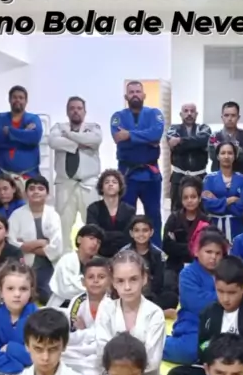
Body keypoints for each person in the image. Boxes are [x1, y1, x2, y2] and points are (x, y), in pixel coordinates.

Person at [96, 250, 166, 375]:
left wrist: (127, 374)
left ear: (144, 278)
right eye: (120, 281)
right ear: (113, 282)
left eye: (133, 279)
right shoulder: (106, 310)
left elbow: (152, 362)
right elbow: (102, 353)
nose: (127, 287)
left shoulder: (155, 313)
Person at [110, 81, 164, 248]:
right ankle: (126, 251)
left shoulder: (154, 113)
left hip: (150, 174)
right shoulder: (118, 116)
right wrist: (146, 139)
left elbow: (156, 134)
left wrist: (130, 135)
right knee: (125, 217)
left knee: (154, 215)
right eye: (131, 92)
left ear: (144, 95)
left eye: (138, 91)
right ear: (126, 96)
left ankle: (156, 251)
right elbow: (118, 138)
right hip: (127, 174)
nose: (135, 94)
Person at [163, 230, 227, 365]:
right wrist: (228, 297)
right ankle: (158, 341)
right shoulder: (188, 273)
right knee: (189, 351)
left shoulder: (229, 272)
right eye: (208, 252)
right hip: (194, 323)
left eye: (218, 253)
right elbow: (196, 304)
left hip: (227, 322)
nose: (213, 257)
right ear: (197, 252)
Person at [49, 96, 103, 253]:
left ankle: (93, 257)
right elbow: (53, 142)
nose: (75, 111)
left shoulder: (93, 127)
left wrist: (69, 136)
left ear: (85, 111)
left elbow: (95, 140)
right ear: (67, 111)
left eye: (79, 108)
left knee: (92, 225)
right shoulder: (58, 127)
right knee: (63, 225)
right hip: (65, 183)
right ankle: (63, 258)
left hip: (88, 183)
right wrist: (81, 143)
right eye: (72, 108)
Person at [8, 176, 63, 305]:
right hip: (23, 266)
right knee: (21, 299)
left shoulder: (53, 215)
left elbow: (56, 248)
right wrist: (41, 243)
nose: (36, 192)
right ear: (25, 193)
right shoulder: (17, 215)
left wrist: (25, 245)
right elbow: (11, 243)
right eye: (32, 188)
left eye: (40, 188)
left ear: (47, 193)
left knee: (49, 300)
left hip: (47, 267)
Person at [62, 258, 112, 375]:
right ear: (83, 282)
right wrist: (84, 332)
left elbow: (110, 333)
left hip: (103, 345)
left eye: (101, 277)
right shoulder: (77, 301)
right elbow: (72, 331)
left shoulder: (113, 302)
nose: (96, 281)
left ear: (109, 280)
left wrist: (85, 330)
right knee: (63, 351)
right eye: (90, 277)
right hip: (81, 345)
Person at [0, 86, 43, 190]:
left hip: (29, 176)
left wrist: (9, 132)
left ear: (26, 101)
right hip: (3, 176)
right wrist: (24, 134)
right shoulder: (0, 118)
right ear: (9, 100)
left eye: (21, 97)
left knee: (30, 201)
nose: (17, 100)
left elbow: (34, 138)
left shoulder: (33, 118)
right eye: (14, 97)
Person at [124, 214, 178, 314]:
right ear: (131, 233)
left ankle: (143, 311)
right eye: (137, 230)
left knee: (171, 297)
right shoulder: (123, 254)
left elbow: (160, 282)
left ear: (151, 232)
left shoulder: (159, 254)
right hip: (129, 293)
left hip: (151, 295)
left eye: (145, 230)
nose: (141, 234)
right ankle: (156, 312)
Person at [163, 177, 209, 287]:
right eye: (186, 197)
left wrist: (178, 245)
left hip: (199, 265)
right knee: (168, 287)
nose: (189, 200)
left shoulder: (205, 220)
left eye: (193, 197)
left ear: (199, 198)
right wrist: (193, 247)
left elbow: (207, 247)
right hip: (175, 264)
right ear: (181, 199)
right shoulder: (174, 219)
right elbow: (166, 246)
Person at [202, 142, 243, 242]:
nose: (226, 156)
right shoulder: (209, 179)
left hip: (237, 227)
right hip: (214, 227)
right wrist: (229, 200)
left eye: (230, 153)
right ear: (217, 156)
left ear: (235, 156)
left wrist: (217, 201)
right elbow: (207, 205)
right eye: (223, 153)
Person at [47, 223, 104, 309]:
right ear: (79, 239)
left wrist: (85, 284)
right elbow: (66, 290)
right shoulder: (67, 260)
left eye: (98, 242)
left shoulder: (98, 265)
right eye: (91, 238)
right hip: (62, 306)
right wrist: (93, 288)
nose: (95, 243)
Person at [166, 104, 211, 210]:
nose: (189, 114)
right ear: (181, 114)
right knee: (176, 211)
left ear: (196, 114)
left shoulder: (204, 128)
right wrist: (195, 143)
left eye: (192, 111)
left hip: (199, 176)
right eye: (186, 111)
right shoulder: (173, 128)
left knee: (201, 210)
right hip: (179, 177)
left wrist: (181, 141)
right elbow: (176, 145)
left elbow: (203, 140)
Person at [86, 169, 135, 258]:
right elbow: (93, 233)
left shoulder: (129, 210)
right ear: (101, 187)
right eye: (107, 182)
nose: (110, 184)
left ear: (120, 187)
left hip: (124, 254)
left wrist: (105, 235)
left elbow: (128, 236)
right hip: (98, 253)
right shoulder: (93, 208)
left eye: (114, 182)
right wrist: (118, 234)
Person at [208, 101, 243, 178]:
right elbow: (213, 156)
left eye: (233, 115)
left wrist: (222, 152)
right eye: (226, 115)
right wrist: (237, 150)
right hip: (218, 179)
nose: (229, 118)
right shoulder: (214, 136)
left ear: (238, 117)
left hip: (241, 178)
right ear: (222, 117)